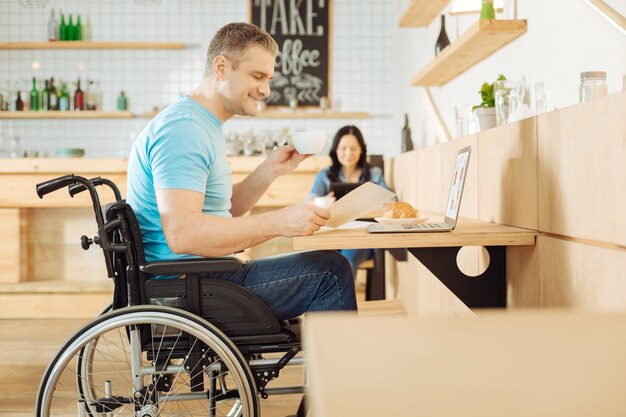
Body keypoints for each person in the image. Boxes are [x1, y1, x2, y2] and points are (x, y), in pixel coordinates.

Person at [126, 22, 357, 321]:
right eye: (257, 76)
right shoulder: (184, 130)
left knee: (328, 266)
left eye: (269, 78)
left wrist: (269, 170)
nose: (266, 90)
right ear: (221, 67)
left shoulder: (202, 124)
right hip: (187, 288)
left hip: (202, 278)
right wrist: (279, 222)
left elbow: (224, 211)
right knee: (331, 272)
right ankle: (344, 368)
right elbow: (184, 234)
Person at [307, 125, 393, 278]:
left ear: (361, 150)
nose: (348, 153)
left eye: (353, 148)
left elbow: (391, 200)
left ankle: (343, 301)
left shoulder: (374, 174)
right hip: (331, 236)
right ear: (336, 150)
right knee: (319, 263)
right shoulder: (325, 175)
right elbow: (308, 201)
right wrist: (323, 201)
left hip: (362, 237)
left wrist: (376, 202)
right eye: (343, 148)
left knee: (345, 262)